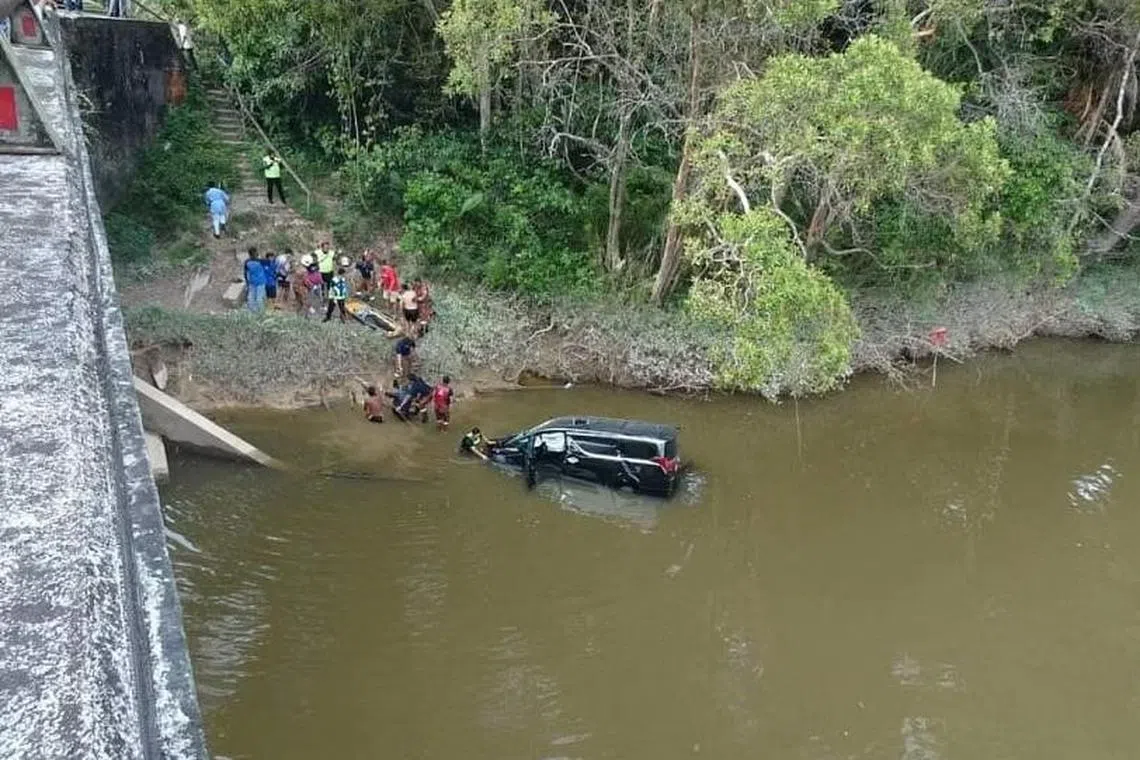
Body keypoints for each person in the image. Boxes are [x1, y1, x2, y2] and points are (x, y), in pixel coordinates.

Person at [243, 247, 266, 312]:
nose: (254, 255)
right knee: (251, 299)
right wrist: (247, 282)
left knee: (258, 299)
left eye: (255, 254)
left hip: (260, 283)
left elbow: (245, 273)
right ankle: (253, 313)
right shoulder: (248, 262)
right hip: (253, 283)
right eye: (253, 254)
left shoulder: (260, 261)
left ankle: (260, 313)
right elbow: (245, 273)